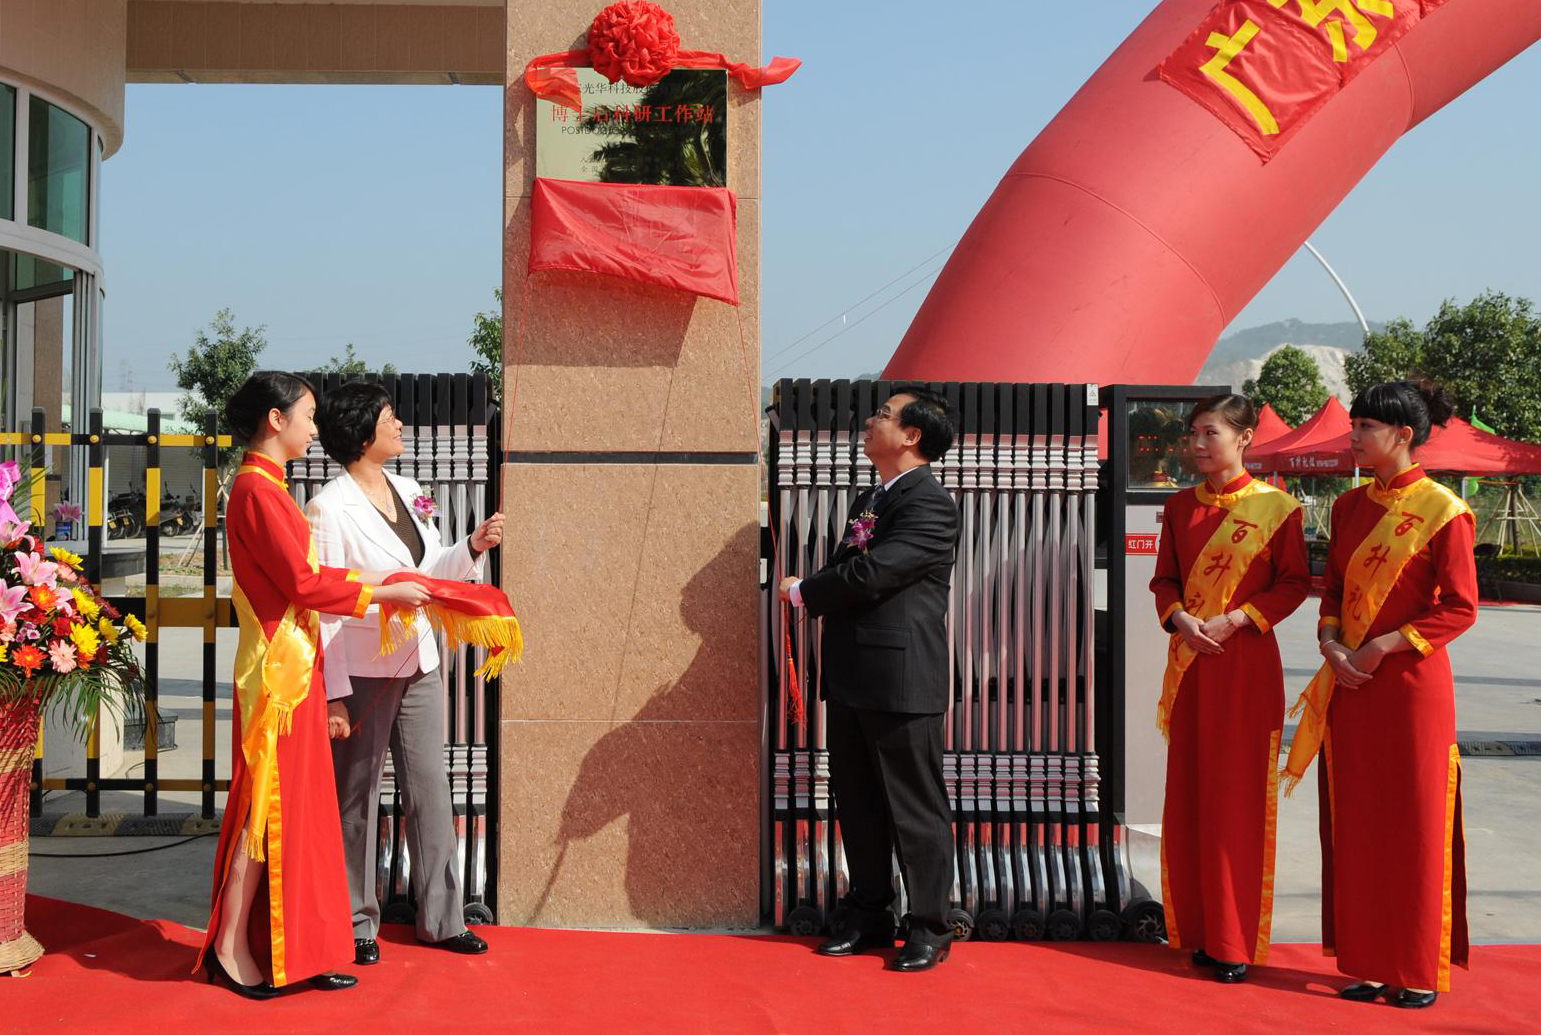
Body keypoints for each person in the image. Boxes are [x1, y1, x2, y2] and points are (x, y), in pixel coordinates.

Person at [195, 372, 431, 999]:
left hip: (294, 665)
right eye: (306, 415)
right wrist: (379, 592)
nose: (314, 428)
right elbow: (302, 583)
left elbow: (305, 578)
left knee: (295, 812)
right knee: (265, 809)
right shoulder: (257, 490)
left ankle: (296, 948)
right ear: (275, 420)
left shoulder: (268, 487)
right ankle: (232, 945)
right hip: (279, 672)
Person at [1282, 380, 1478, 1010]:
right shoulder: (1347, 507)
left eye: (1366, 426)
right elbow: (1335, 590)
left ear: (1403, 435)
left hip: (1411, 687)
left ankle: (1415, 968)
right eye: (1355, 424)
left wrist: (1383, 647)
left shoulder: (1445, 510)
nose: (1355, 436)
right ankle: (1367, 963)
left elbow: (1461, 607)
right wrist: (1331, 643)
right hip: (1351, 683)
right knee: (1358, 819)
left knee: (1415, 823)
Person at [306, 381, 505, 965]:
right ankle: (355, 923)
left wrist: (472, 546)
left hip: (419, 661)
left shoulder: (411, 489)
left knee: (430, 789)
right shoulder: (327, 507)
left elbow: (432, 569)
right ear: (361, 431)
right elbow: (325, 605)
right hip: (361, 669)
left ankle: (443, 919)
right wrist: (334, 694)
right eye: (389, 416)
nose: (399, 425)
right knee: (357, 797)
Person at [778, 387, 960, 973]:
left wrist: (806, 592)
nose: (870, 422)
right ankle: (870, 911)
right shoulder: (872, 498)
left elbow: (876, 571)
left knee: (914, 807)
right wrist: (816, 585)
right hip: (854, 673)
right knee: (857, 802)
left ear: (911, 435)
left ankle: (929, 925)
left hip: (902, 678)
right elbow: (849, 563)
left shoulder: (930, 503)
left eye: (883, 415)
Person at [1148, 394, 1310, 984]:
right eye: (1192, 433)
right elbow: (1164, 580)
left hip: (1244, 664)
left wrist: (1239, 618)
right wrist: (1179, 618)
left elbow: (1294, 584)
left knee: (1237, 801)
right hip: (1192, 662)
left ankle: (1234, 939)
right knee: (1192, 795)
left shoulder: (1277, 508)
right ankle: (1200, 930)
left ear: (1244, 438)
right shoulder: (1179, 506)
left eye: (1209, 433)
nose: (1196, 444)